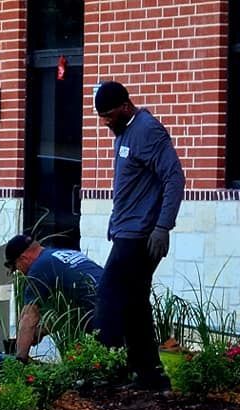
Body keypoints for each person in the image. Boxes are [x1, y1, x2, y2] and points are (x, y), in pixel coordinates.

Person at [94, 81, 185, 390]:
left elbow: (174, 177)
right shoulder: (123, 134)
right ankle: (150, 375)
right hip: (126, 231)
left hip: (143, 235)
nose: (105, 122)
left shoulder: (147, 129)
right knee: (134, 302)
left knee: (109, 295)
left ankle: (105, 369)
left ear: (125, 106)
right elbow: (129, 185)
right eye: (101, 117)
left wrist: (163, 227)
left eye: (108, 115)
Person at [3, 234, 104, 362]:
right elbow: (70, 313)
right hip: (124, 299)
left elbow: (29, 317)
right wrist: (41, 331)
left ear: (23, 259)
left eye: (16, 268)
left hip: (105, 312)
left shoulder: (38, 269)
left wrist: (19, 359)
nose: (20, 273)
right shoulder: (62, 255)